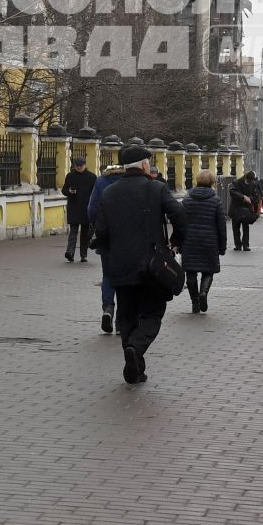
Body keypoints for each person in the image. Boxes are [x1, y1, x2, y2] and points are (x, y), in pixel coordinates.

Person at [92, 146, 186, 384]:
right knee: (153, 313)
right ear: (145, 165)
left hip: (120, 265)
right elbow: (180, 215)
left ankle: (134, 365)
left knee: (126, 316)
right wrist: (175, 243)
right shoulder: (156, 188)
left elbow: (100, 231)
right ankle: (135, 347)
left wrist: (104, 245)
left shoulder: (109, 193)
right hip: (152, 267)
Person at [181, 170, 229, 312]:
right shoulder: (216, 201)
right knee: (208, 271)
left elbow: (180, 221)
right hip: (209, 241)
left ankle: (195, 302)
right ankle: (203, 293)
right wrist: (222, 246)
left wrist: (178, 241)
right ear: (212, 182)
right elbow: (221, 226)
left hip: (189, 241)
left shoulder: (186, 199)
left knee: (190, 272)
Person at [87, 162, 127, 334]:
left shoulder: (101, 181)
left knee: (108, 275)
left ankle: (108, 308)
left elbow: (92, 208)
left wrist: (97, 226)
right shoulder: (131, 181)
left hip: (106, 236)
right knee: (127, 277)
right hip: (129, 237)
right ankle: (121, 322)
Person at [61, 156, 96, 262]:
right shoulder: (70, 176)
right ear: (74, 166)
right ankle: (70, 252)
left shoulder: (92, 177)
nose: (79, 167)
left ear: (85, 165)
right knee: (73, 231)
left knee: (85, 233)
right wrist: (69, 192)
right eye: (77, 166)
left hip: (86, 208)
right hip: (74, 207)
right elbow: (64, 190)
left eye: (81, 165)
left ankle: (83, 255)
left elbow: (95, 193)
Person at [228, 172, 259, 251]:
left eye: (251, 181)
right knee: (236, 228)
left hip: (246, 210)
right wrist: (243, 197)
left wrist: (250, 199)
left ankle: (245, 245)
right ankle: (238, 245)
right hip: (236, 208)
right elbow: (232, 192)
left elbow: (256, 197)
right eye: (249, 181)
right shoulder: (236, 182)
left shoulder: (253, 185)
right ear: (246, 178)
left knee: (246, 227)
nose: (250, 182)